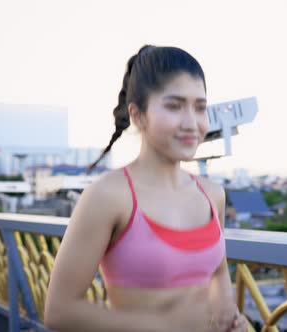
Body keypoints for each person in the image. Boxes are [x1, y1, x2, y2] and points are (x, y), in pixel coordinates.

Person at [44, 45, 247, 332]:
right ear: (138, 115)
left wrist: (232, 320)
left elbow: (217, 273)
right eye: (174, 106)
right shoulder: (108, 196)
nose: (192, 123)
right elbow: (59, 311)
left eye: (200, 108)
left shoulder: (213, 194)